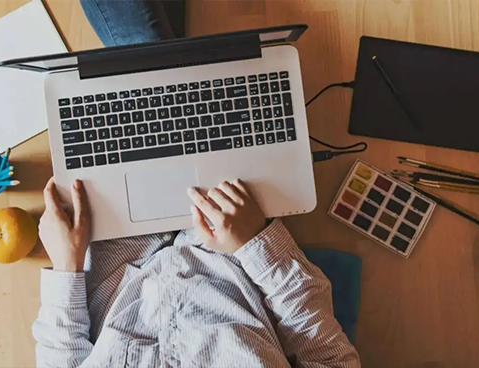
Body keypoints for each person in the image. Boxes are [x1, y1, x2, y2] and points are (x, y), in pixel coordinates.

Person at [33, 1, 361, 367]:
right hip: (230, 233)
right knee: (176, 74)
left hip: (115, 243)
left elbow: (61, 356)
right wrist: (257, 244)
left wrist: (65, 264)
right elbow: (330, 356)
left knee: (143, 70)